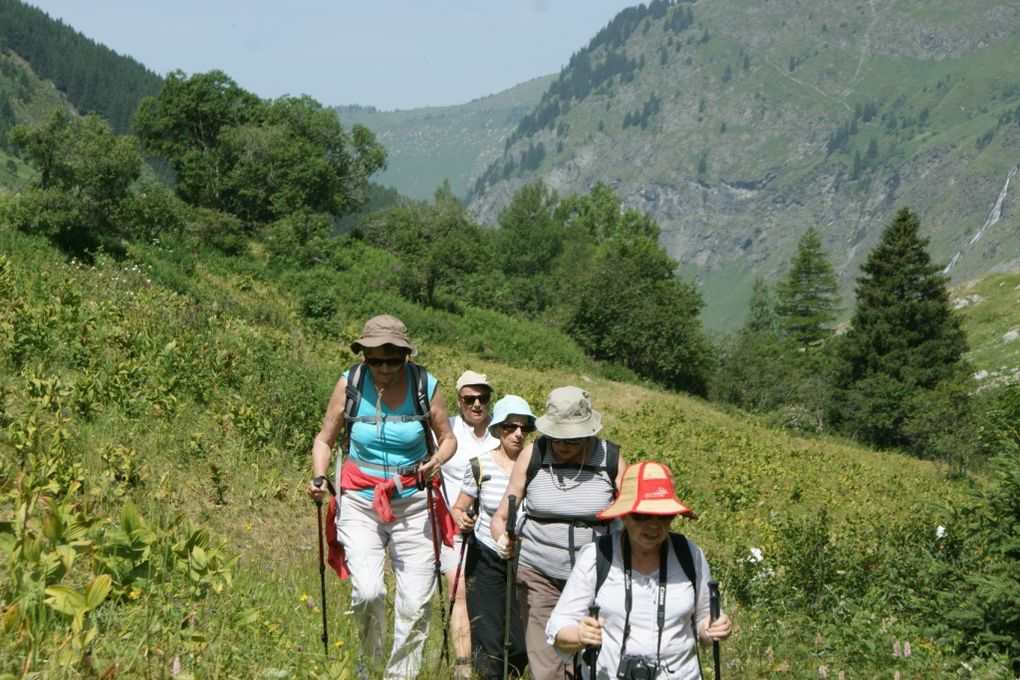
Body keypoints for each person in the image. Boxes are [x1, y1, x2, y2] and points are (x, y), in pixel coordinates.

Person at [307, 314, 457, 680]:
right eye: (376, 360)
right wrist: (318, 476)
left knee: (415, 601)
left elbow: (448, 438)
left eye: (394, 360)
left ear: (407, 356)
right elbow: (324, 438)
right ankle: (368, 666)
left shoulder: (425, 384)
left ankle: (400, 676)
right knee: (370, 591)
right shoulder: (350, 383)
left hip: (415, 501)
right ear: (364, 356)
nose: (385, 368)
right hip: (359, 499)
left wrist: (435, 461)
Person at [546, 462, 732, 680]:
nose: (654, 526)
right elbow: (558, 627)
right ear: (624, 515)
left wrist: (712, 629)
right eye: (643, 516)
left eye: (664, 516)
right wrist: (580, 636)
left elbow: (703, 621)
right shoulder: (598, 557)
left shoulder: (689, 555)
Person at [491, 386, 626, 680]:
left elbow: (628, 518)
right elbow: (502, 515)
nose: (562, 445)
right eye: (556, 437)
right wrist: (502, 537)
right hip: (539, 573)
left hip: (596, 578)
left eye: (572, 439)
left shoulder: (610, 459)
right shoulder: (533, 455)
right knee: (547, 667)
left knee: (595, 662)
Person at [450, 395, 534, 679]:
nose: (518, 433)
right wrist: (462, 518)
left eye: (524, 428)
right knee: (488, 636)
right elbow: (459, 507)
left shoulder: (536, 469)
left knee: (521, 640)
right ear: (498, 429)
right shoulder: (480, 465)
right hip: (486, 557)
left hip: (526, 560)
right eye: (511, 426)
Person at [442, 370, 499, 677]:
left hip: (492, 528)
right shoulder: (447, 429)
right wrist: (452, 513)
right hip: (454, 526)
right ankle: (462, 666)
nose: (477, 405)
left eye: (483, 398)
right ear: (458, 400)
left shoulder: (501, 432)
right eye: (469, 399)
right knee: (460, 590)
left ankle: (491, 659)